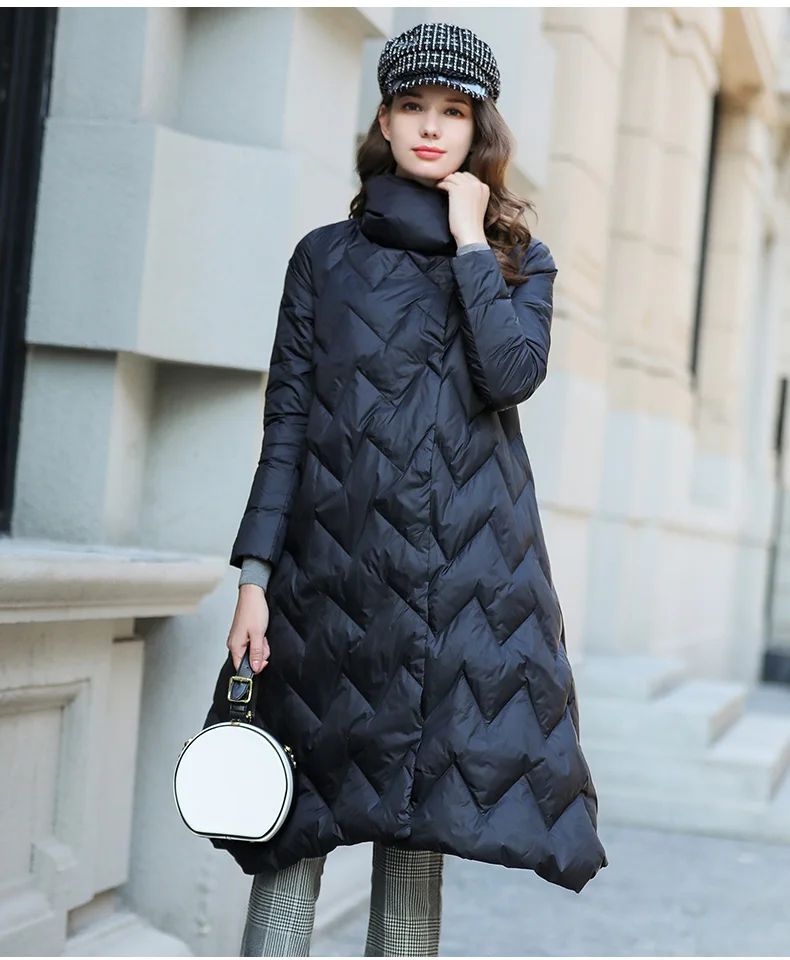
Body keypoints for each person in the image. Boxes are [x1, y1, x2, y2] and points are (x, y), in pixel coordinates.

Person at [203, 21, 608, 958]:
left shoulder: (517, 261)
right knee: (290, 829)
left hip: (458, 587)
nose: (431, 127)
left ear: (479, 131)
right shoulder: (322, 258)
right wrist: (255, 578)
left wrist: (470, 244)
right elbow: (287, 423)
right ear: (382, 121)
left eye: (453, 112)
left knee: (418, 843)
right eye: (412, 107)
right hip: (327, 581)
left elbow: (510, 375)